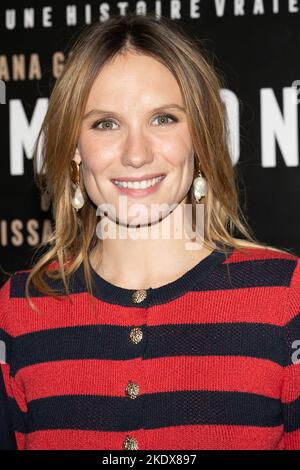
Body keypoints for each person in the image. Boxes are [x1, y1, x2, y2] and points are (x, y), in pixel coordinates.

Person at [0, 12, 299, 451]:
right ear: (74, 150)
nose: (136, 154)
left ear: (200, 138)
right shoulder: (19, 311)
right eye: (105, 123)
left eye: (163, 119)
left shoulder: (284, 297)